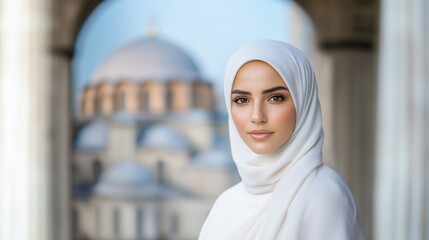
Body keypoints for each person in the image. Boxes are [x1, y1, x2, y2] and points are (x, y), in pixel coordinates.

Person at [198, 40, 366, 240]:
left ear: (303, 101)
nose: (257, 116)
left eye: (275, 98)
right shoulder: (226, 204)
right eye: (242, 100)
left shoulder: (323, 193)